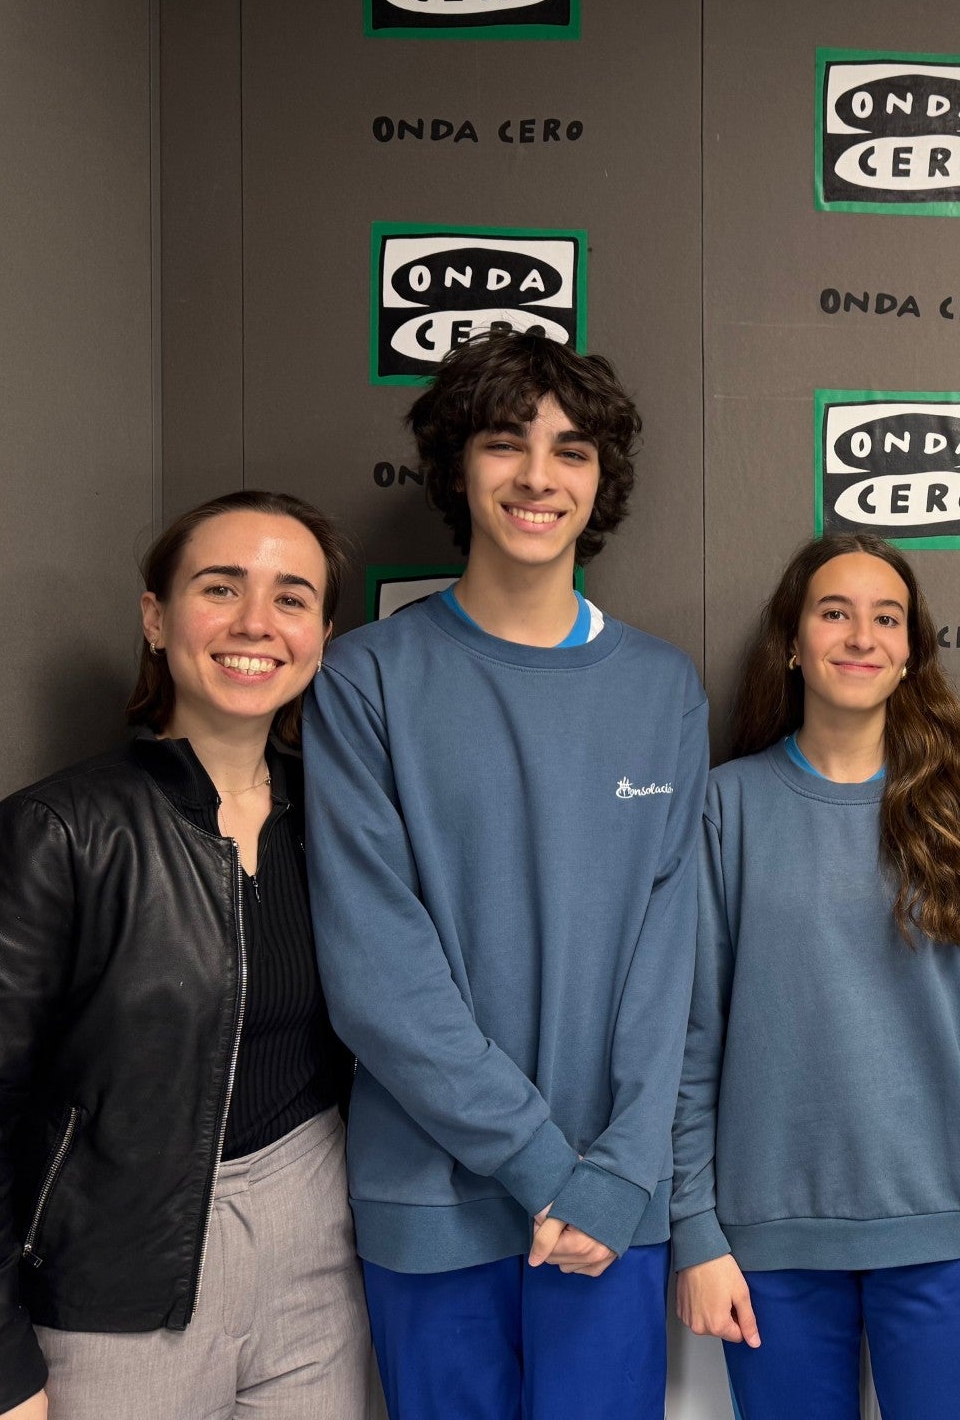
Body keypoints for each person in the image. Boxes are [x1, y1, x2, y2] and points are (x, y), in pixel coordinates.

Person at [303, 330, 707, 1419]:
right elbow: (377, 974)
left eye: (572, 451)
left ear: (601, 482)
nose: (538, 477)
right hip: (431, 1204)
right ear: (455, 468)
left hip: (612, 1205)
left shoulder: (665, 690)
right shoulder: (365, 681)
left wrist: (614, 1173)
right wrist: (546, 1169)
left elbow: (668, 965)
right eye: (504, 444)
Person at [0, 492, 367, 1420]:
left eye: (292, 598)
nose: (254, 625)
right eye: (220, 587)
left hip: (319, 1254)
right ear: (156, 618)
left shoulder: (350, 823)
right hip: (119, 1284)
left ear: (321, 633)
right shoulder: (54, 833)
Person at [671, 533, 960, 1420]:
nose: (860, 636)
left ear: (910, 651)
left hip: (950, 1238)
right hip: (768, 1245)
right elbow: (691, 1047)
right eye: (834, 613)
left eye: (887, 618)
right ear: (793, 642)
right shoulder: (728, 809)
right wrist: (695, 1232)